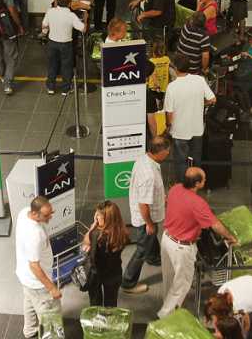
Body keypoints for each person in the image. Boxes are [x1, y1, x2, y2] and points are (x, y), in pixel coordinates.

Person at [158, 167, 238, 318]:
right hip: (181, 248)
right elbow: (216, 225)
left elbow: (168, 202)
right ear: (197, 183)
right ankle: (165, 319)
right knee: (182, 284)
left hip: (166, 239)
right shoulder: (198, 203)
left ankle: (168, 306)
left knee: (169, 278)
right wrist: (230, 237)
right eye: (204, 179)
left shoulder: (175, 189)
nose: (205, 181)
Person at [122, 136, 170, 294]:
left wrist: (160, 196)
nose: (169, 153)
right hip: (145, 218)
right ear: (161, 151)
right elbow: (144, 204)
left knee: (151, 237)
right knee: (142, 249)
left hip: (147, 215)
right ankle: (128, 283)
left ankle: (154, 257)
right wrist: (149, 223)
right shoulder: (149, 174)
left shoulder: (144, 158)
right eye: (167, 150)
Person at [164, 54, 216, 180]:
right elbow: (213, 99)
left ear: (175, 68)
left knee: (181, 161)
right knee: (196, 159)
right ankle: (195, 182)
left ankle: (182, 184)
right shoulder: (199, 80)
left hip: (179, 131)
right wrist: (201, 103)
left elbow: (169, 112)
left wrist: (168, 126)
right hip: (197, 129)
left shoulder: (172, 87)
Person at [15, 197, 61, 339]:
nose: (50, 217)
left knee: (29, 300)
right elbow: (34, 265)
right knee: (51, 315)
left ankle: (29, 331)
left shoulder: (24, 213)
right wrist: (51, 288)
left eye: (51, 212)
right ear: (35, 214)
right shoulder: (35, 234)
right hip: (38, 284)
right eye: (46, 215)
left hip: (25, 277)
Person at [81, 201, 129, 307]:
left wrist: (93, 227)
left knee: (95, 303)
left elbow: (85, 242)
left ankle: (97, 322)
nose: (96, 217)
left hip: (96, 274)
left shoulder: (96, 235)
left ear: (106, 218)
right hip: (114, 272)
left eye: (99, 215)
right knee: (111, 305)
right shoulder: (122, 233)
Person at [42, 0, 86, 95]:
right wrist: (85, 19)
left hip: (52, 43)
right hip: (66, 44)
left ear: (57, 1)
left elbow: (44, 25)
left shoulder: (50, 11)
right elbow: (83, 28)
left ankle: (50, 88)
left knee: (52, 65)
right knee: (66, 66)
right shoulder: (71, 15)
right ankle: (65, 89)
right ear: (70, 3)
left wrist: (44, 33)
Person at [146, 39, 172, 137]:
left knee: (154, 110)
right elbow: (170, 69)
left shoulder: (151, 61)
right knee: (163, 107)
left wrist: (156, 84)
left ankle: (157, 129)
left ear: (153, 50)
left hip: (154, 88)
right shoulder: (167, 59)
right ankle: (164, 127)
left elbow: (152, 74)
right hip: (164, 87)